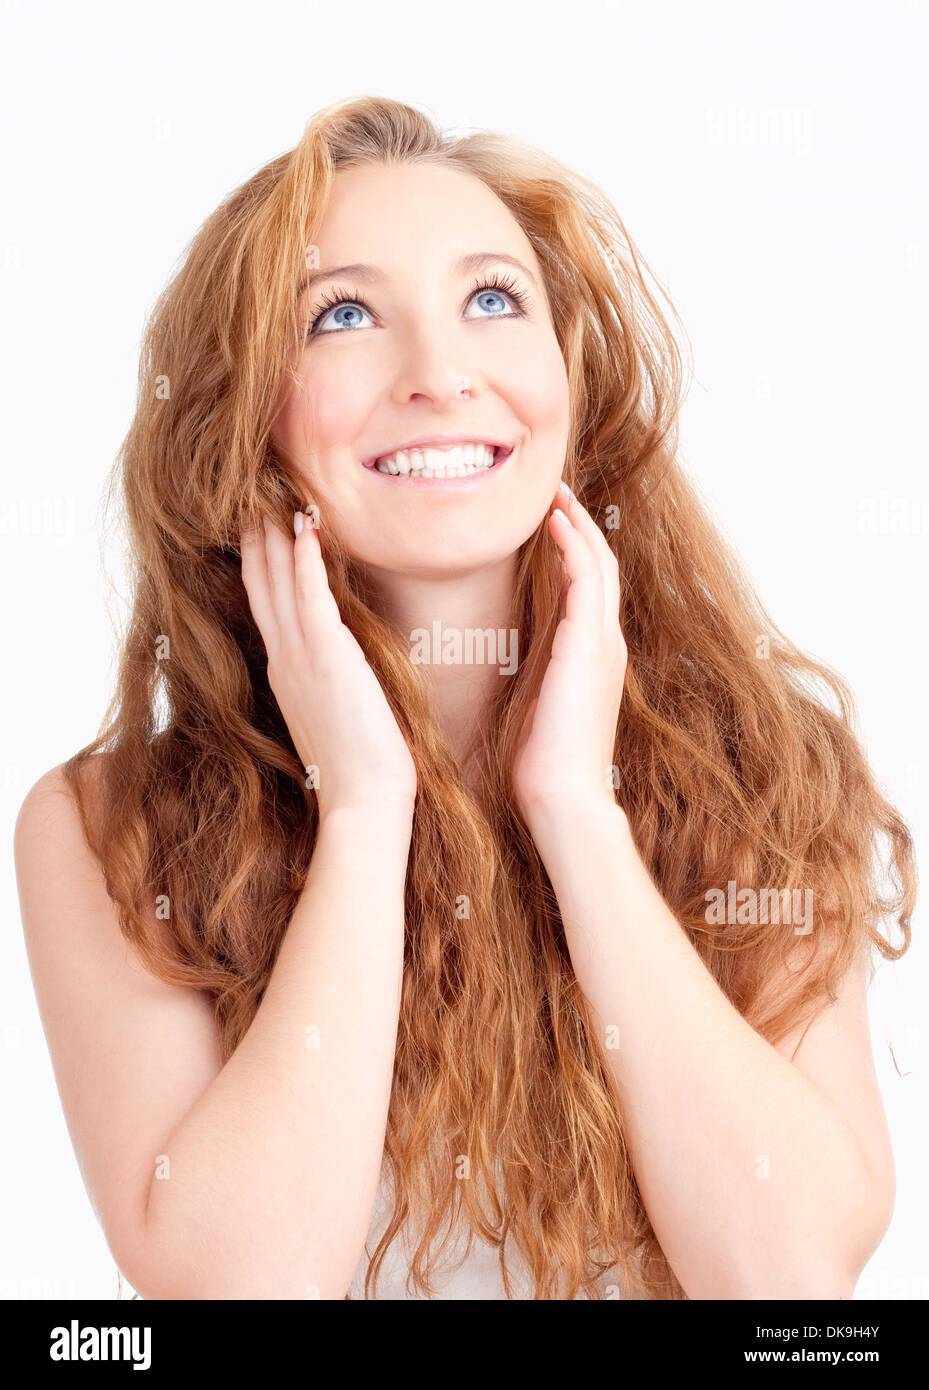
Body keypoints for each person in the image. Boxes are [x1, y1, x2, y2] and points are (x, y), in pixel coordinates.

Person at [14, 95, 915, 1301]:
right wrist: (365, 810)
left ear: (565, 377)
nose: (439, 376)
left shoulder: (762, 770)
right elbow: (241, 1291)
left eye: (491, 300)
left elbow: (791, 1285)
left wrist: (575, 814)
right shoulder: (107, 826)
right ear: (247, 421)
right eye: (342, 316)